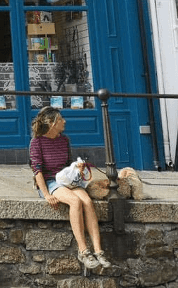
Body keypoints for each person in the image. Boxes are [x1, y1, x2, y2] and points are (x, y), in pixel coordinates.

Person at [29, 106, 112, 270]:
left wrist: (77, 169)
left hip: (66, 179)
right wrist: (46, 194)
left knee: (87, 201)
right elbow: (37, 171)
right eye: (60, 119)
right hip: (50, 181)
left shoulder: (64, 140)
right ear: (52, 123)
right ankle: (83, 251)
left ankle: (98, 251)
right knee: (75, 202)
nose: (64, 122)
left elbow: (67, 165)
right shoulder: (36, 143)